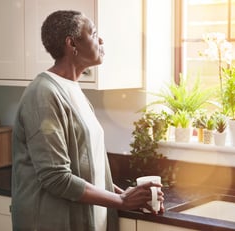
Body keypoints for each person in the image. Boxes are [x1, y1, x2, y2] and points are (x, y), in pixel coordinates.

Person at [11, 10, 164, 231]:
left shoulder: (74, 90)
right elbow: (56, 177)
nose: (100, 40)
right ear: (72, 44)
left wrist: (126, 194)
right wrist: (121, 202)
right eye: (93, 34)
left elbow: (87, 168)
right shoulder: (43, 95)